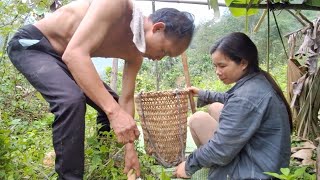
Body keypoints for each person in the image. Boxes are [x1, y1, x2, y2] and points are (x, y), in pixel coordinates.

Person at [6, 0, 195, 178]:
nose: (160, 58)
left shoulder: (136, 55)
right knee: (72, 100)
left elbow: (126, 100)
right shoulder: (117, 5)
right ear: (157, 28)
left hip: (65, 57)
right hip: (34, 45)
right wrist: (114, 113)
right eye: (164, 50)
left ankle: (101, 155)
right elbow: (75, 55)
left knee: (111, 102)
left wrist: (130, 150)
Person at [174, 32, 292, 179]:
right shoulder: (257, 81)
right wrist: (203, 94)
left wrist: (188, 165)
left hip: (256, 172)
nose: (218, 72)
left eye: (222, 66)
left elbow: (221, 148)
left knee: (197, 118)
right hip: (270, 162)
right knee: (215, 106)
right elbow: (230, 98)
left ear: (243, 63)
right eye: (215, 66)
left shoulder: (245, 98)